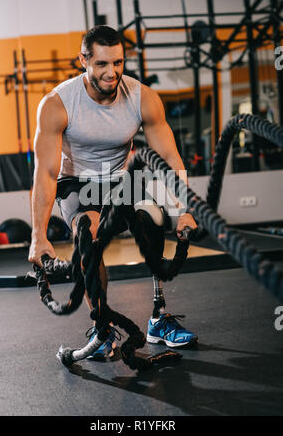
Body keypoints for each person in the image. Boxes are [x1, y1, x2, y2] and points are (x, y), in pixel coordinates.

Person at [29, 25, 198, 359]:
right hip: (77, 181)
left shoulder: (142, 97)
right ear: (83, 61)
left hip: (121, 178)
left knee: (149, 220)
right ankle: (102, 327)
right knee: (89, 237)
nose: (112, 72)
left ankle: (158, 318)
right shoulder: (57, 104)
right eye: (103, 64)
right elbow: (46, 173)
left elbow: (169, 157)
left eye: (118, 62)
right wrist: (38, 234)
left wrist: (182, 209)